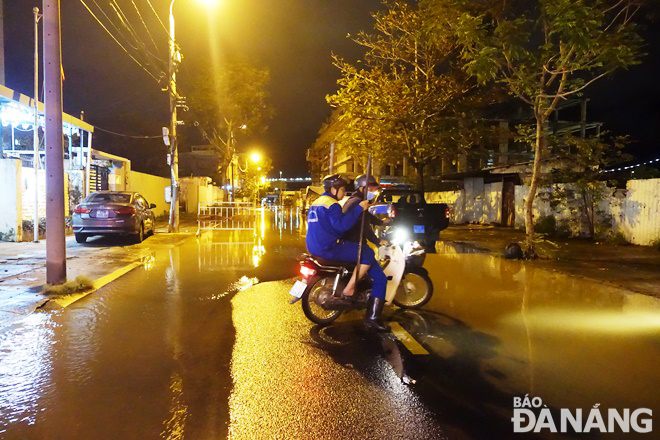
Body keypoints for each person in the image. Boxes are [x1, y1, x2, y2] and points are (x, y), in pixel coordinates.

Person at [305, 174, 390, 332]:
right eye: (342, 189)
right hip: (329, 248)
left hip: (314, 247)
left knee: (365, 253)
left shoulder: (317, 202)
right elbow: (341, 226)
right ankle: (353, 293)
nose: (344, 193)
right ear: (333, 189)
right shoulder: (334, 204)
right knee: (369, 255)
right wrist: (359, 209)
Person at [340, 174, 391, 332]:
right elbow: (365, 227)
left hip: (347, 243)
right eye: (371, 188)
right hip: (356, 244)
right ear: (362, 188)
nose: (373, 192)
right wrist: (377, 241)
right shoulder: (358, 203)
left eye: (374, 189)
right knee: (381, 279)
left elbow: (367, 217)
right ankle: (373, 319)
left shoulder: (355, 201)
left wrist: (381, 222)